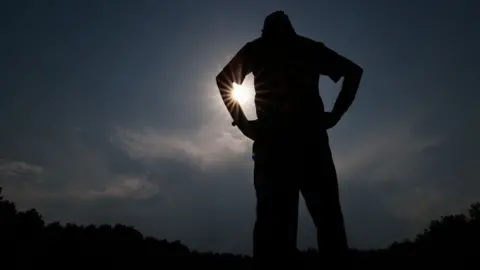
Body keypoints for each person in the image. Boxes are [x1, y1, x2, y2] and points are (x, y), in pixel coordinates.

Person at [215, 11, 363, 268]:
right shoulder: (307, 48)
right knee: (326, 222)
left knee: (275, 227)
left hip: (277, 146)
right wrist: (335, 115)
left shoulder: (259, 49)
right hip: (309, 143)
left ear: (265, 31)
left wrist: (244, 124)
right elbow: (353, 72)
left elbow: (223, 79)